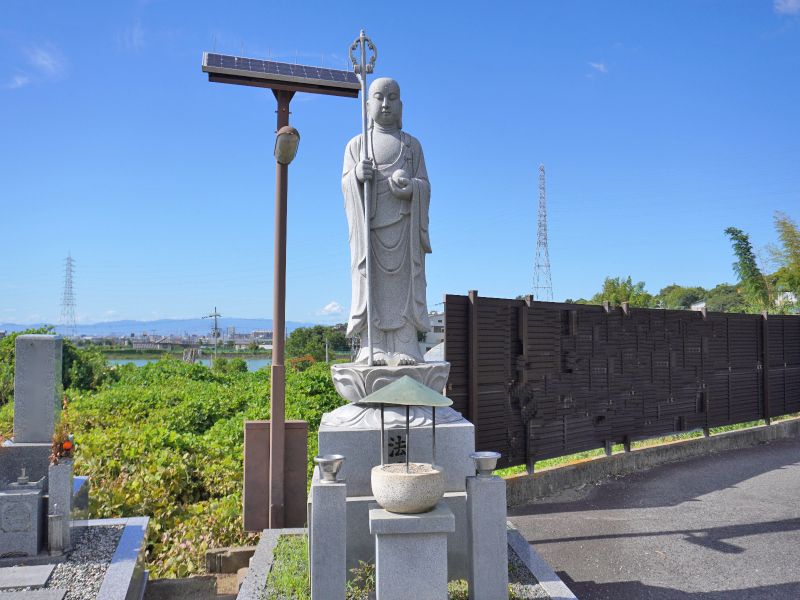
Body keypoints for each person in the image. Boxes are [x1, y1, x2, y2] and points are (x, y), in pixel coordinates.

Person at [342, 77, 431, 365]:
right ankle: (373, 344)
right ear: (367, 105)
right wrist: (357, 175)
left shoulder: (411, 146)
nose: (385, 104)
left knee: (406, 284)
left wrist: (412, 188)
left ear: (401, 105)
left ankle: (406, 344)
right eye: (379, 97)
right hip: (370, 232)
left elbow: (425, 185)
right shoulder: (357, 145)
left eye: (392, 98)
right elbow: (345, 185)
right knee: (371, 283)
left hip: (405, 229)